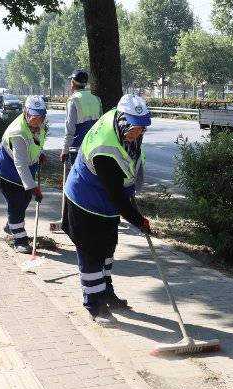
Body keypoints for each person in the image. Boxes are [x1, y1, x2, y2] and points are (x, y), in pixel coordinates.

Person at [63, 94, 152, 324]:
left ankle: (106, 293)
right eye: (135, 127)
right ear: (123, 120)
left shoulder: (123, 127)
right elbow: (116, 195)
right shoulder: (105, 148)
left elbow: (131, 170)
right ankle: (95, 304)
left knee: (108, 247)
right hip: (85, 202)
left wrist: (133, 198)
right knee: (91, 252)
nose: (139, 133)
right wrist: (138, 220)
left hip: (106, 203)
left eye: (142, 128)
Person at [0, 95, 48, 253]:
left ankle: (12, 225)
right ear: (26, 113)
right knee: (16, 202)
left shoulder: (40, 125)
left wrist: (39, 154)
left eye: (40, 117)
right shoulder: (18, 132)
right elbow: (20, 164)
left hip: (24, 168)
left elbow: (35, 143)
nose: (36, 121)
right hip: (7, 170)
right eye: (33, 117)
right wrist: (33, 187)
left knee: (25, 199)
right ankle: (20, 240)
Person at [50, 70, 103, 232]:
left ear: (73, 83)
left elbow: (70, 129)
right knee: (93, 182)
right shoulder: (96, 99)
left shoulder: (73, 101)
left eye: (70, 82)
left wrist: (64, 150)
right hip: (94, 148)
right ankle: (96, 215)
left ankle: (72, 219)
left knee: (75, 184)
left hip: (77, 148)